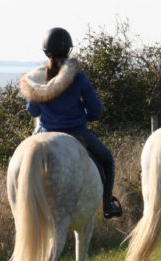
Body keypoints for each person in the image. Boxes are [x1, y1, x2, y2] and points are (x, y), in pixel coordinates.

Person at [19, 27, 123, 219]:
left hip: (44, 132)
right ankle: (108, 204)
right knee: (107, 160)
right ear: (69, 50)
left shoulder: (38, 78)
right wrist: (86, 117)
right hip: (76, 131)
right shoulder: (78, 78)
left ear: (45, 51)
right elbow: (96, 110)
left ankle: (19, 207)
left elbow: (32, 111)